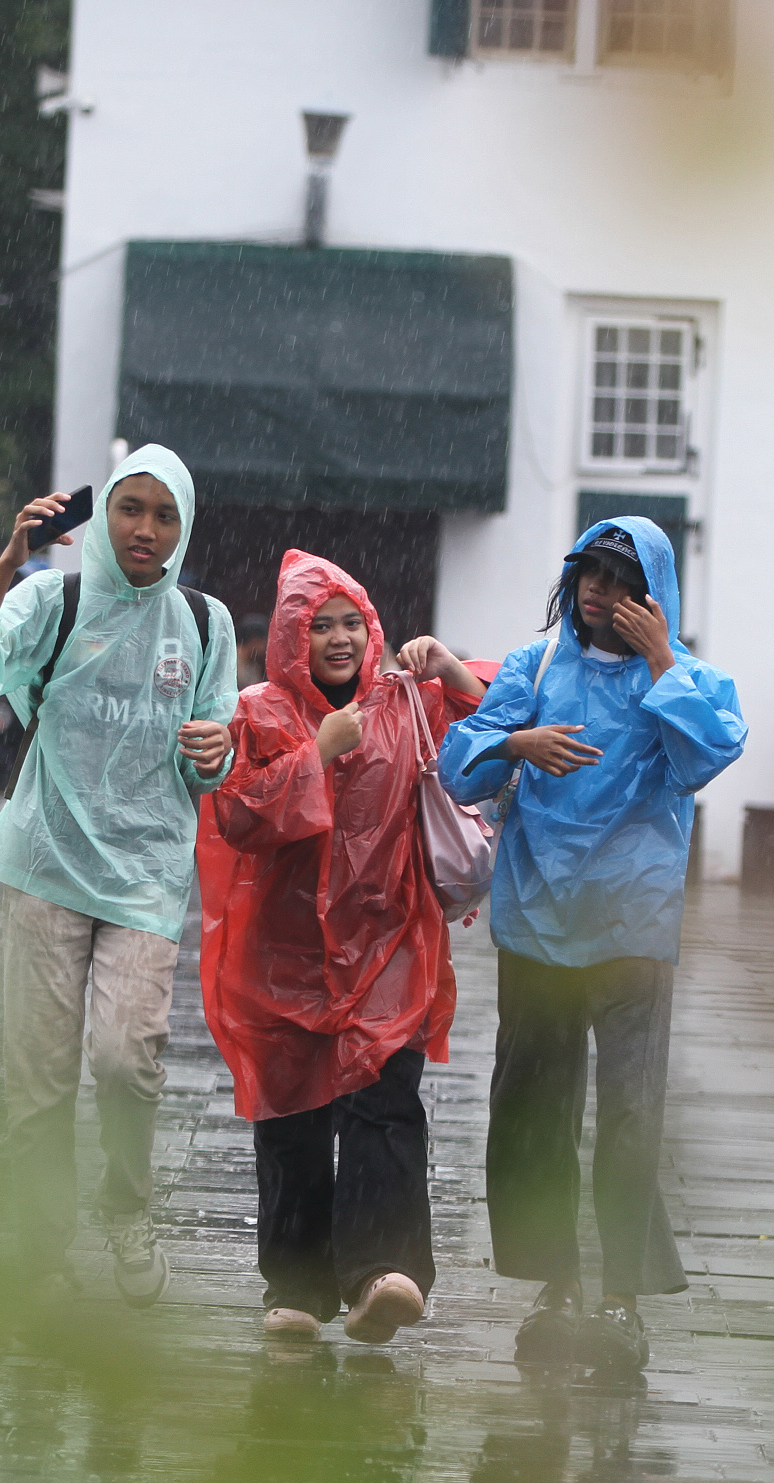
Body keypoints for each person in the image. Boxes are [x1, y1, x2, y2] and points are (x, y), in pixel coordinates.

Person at [439, 518, 746, 1380]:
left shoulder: (689, 677)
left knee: (630, 1111)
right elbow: (458, 761)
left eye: (619, 578)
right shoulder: (534, 665)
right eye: (588, 572)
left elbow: (709, 754)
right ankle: (557, 1283)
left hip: (631, 927)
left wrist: (661, 665)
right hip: (539, 917)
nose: (598, 591)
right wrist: (514, 743)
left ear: (653, 594)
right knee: (534, 1105)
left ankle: (624, 1293)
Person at [0, 444, 237, 1308]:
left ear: (184, 528)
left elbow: (213, 755)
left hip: (146, 873)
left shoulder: (207, 623)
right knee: (37, 1067)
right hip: (46, 860)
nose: (145, 529)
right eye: (130, 508)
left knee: (123, 1057)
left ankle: (127, 1207)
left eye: (165, 515)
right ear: (104, 512)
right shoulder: (52, 598)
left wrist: (219, 751)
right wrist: (6, 565)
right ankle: (40, 1236)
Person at [198, 551, 486, 1345]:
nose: (335, 638)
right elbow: (240, 818)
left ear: (372, 627)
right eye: (317, 625)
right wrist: (316, 753)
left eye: (348, 622)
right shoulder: (257, 712)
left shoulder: (407, 700)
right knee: (291, 1119)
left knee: (384, 1101)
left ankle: (381, 1272)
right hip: (284, 956)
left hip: (388, 942)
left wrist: (451, 667)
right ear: (292, 636)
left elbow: (494, 723)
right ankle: (295, 1283)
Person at [234, 611, 269, 690]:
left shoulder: (254, 663)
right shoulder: (230, 660)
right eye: (264, 643)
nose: (265, 648)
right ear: (255, 641)